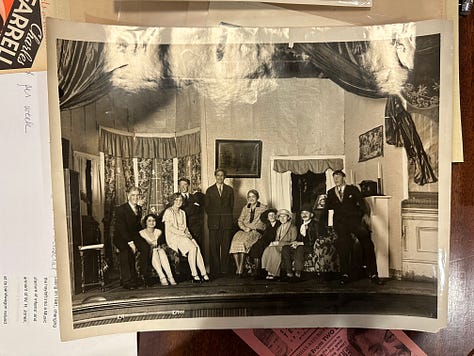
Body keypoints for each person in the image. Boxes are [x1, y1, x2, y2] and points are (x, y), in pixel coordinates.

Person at [326, 170, 382, 285]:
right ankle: (345, 275)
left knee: (367, 242)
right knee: (343, 245)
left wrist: (365, 215)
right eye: (334, 177)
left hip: (355, 222)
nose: (336, 179)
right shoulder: (331, 192)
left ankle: (374, 274)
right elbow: (326, 209)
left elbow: (362, 203)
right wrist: (323, 224)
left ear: (344, 177)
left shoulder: (353, 189)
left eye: (338, 176)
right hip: (340, 224)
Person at [162, 193, 209, 283]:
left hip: (183, 236)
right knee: (193, 248)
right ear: (172, 201)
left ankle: (203, 273)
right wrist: (184, 234)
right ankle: (194, 274)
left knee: (197, 248)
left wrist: (189, 234)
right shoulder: (168, 211)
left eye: (180, 200)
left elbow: (185, 227)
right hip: (173, 237)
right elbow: (170, 228)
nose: (178, 202)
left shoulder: (182, 212)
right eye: (176, 200)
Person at [114, 186, 152, 289]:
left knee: (145, 247)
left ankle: (142, 276)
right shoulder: (121, 209)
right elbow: (121, 229)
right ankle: (127, 281)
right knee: (126, 251)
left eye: (137, 195)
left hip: (133, 235)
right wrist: (131, 243)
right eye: (133, 195)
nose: (135, 197)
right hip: (121, 237)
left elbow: (137, 227)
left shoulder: (139, 208)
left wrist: (147, 236)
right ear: (128, 196)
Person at [229, 189, 267, 277]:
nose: (251, 199)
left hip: (255, 231)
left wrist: (257, 227)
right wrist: (244, 228)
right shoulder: (245, 208)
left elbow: (266, 222)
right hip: (244, 230)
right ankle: (239, 268)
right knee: (235, 241)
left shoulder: (263, 208)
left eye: (253, 196)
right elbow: (240, 221)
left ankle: (240, 268)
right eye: (249, 197)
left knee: (243, 243)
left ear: (257, 197)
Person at [205, 168, 234, 277]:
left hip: (226, 223)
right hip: (214, 223)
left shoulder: (230, 190)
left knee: (226, 246)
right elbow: (207, 208)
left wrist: (225, 218)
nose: (220, 177)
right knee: (214, 247)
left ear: (224, 177)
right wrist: (215, 217)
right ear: (215, 176)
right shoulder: (209, 190)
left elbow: (231, 207)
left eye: (222, 175)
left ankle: (225, 270)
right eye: (218, 175)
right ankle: (215, 271)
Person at [281, 204, 318, 281]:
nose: (304, 215)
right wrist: (295, 243)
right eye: (302, 213)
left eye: (306, 213)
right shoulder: (301, 225)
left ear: (311, 214)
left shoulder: (315, 224)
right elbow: (299, 238)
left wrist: (300, 244)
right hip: (300, 245)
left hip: (310, 246)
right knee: (285, 248)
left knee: (300, 248)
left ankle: (298, 273)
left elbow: (315, 240)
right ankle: (289, 273)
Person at [139, 214, 177, 286]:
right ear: (146, 222)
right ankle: (162, 276)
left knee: (161, 251)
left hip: (159, 252)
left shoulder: (158, 232)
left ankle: (170, 276)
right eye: (149, 221)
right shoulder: (142, 233)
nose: (151, 222)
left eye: (153, 220)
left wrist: (158, 247)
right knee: (155, 251)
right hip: (148, 254)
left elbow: (160, 243)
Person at [261, 209, 297, 280]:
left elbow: (293, 242)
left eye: (284, 216)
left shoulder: (293, 227)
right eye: (280, 217)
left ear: (288, 217)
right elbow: (277, 240)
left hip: (287, 247)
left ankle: (274, 273)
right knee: (269, 248)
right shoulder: (279, 228)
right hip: (279, 246)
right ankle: (269, 272)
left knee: (274, 250)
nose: (282, 218)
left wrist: (278, 243)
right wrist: (273, 243)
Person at [248, 208, 280, 278]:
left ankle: (259, 272)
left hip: (272, 241)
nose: (271, 217)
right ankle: (257, 270)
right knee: (255, 246)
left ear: (276, 216)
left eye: (273, 215)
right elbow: (266, 234)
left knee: (259, 247)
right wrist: (257, 230)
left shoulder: (279, 224)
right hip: (265, 240)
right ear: (268, 218)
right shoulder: (268, 225)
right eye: (269, 216)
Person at [177, 177, 205, 248]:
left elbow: (201, 212)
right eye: (181, 185)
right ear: (179, 186)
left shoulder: (196, 198)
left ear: (188, 186)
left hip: (195, 229)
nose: (183, 187)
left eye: (185, 184)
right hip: (181, 228)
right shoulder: (175, 198)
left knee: (197, 247)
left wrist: (199, 226)